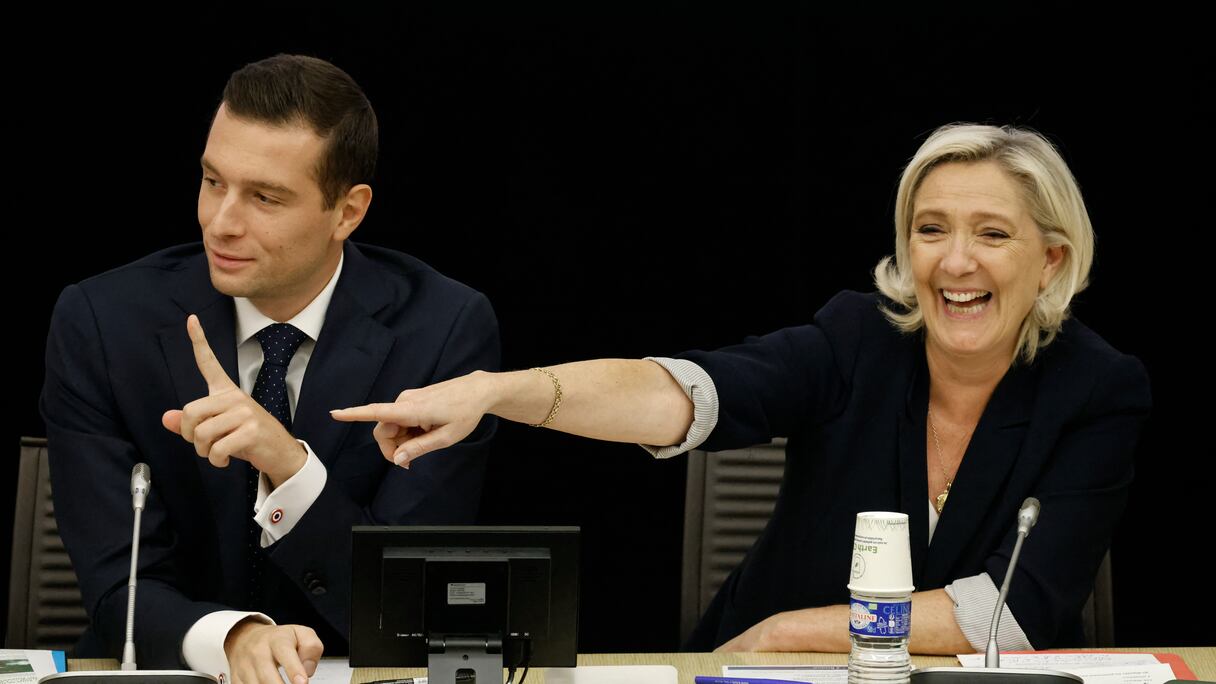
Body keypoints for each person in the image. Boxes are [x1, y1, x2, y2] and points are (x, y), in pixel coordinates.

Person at [333, 123, 1151, 654]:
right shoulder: (857, 337)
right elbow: (685, 394)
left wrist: (787, 631)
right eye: (930, 229)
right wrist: (495, 391)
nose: (956, 261)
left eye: (993, 234)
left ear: (1050, 260)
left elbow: (1010, 612)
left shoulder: (1098, 389)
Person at [41, 54, 499, 684]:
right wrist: (232, 638)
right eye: (212, 182)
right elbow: (116, 576)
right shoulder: (100, 321)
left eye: (265, 197)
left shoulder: (443, 330)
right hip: (170, 668)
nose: (221, 223)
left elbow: (410, 605)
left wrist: (289, 468)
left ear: (348, 211)